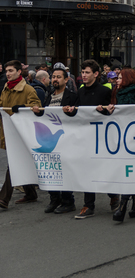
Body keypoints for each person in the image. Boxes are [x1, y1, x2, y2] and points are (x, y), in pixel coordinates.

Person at [63, 60, 117, 219]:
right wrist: (69, 111)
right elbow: (77, 112)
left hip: (101, 137)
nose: (83, 75)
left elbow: (113, 114)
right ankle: (88, 204)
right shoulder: (80, 91)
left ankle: (113, 196)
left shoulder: (104, 91)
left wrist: (103, 112)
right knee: (87, 170)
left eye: (87, 72)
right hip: (84, 136)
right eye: (82, 72)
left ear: (95, 74)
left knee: (104, 169)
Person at [32, 65, 77, 214]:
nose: (55, 79)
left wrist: (70, 111)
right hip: (49, 140)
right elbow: (46, 116)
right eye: (53, 77)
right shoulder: (49, 95)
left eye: (58, 77)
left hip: (66, 139)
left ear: (66, 79)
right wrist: (38, 112)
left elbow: (78, 116)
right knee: (51, 169)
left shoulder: (72, 96)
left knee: (64, 170)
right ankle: (54, 199)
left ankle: (68, 201)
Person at [105, 69, 135, 223]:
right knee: (127, 173)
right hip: (120, 139)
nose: (117, 80)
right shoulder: (116, 94)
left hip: (134, 142)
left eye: (121, 78)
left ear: (128, 79)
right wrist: (108, 110)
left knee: (128, 173)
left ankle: (122, 208)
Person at [0, 60, 42, 209]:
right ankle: (30, 193)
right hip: (9, 131)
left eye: (11, 70)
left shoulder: (28, 89)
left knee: (13, 163)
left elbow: (37, 107)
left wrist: (23, 108)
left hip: (22, 133)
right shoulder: (6, 88)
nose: (8, 74)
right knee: (21, 162)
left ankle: (3, 198)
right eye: (6, 71)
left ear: (19, 72)